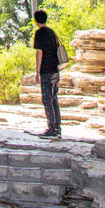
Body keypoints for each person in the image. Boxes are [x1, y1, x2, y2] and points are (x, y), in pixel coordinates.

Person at [32, 8, 61, 139]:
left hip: (46, 70)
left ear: (35, 20)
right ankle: (57, 127)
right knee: (54, 99)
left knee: (46, 99)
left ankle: (52, 128)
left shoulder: (39, 33)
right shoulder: (52, 32)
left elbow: (39, 53)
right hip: (55, 70)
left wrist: (37, 71)